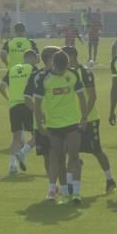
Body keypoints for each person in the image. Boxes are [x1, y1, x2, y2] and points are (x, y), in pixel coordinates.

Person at [33, 50, 88, 203]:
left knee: (75, 156)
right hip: (53, 125)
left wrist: (84, 117)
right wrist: (40, 124)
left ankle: (76, 193)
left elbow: (82, 97)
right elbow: (37, 104)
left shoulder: (72, 75)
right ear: (53, 64)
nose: (63, 71)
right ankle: (64, 192)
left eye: (65, 67)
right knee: (59, 159)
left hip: (72, 123)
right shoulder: (44, 79)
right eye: (60, 68)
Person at [64, 46, 117, 193]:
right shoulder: (63, 74)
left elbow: (92, 96)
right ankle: (69, 185)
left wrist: (84, 117)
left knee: (96, 150)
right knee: (70, 152)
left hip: (89, 119)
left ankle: (110, 179)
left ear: (73, 57)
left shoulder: (85, 72)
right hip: (70, 120)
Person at [25, 46, 61, 195]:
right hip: (41, 124)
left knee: (58, 155)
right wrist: (38, 113)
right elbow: (27, 97)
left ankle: (61, 185)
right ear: (50, 58)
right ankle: (53, 185)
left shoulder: (62, 74)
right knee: (47, 156)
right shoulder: (37, 76)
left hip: (60, 121)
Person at [0, 49, 38, 175]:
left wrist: (9, 98)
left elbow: (1, 86)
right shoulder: (33, 69)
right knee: (38, 134)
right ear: (32, 58)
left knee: (16, 138)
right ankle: (23, 152)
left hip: (14, 106)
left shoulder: (13, 69)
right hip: (28, 104)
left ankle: (12, 165)